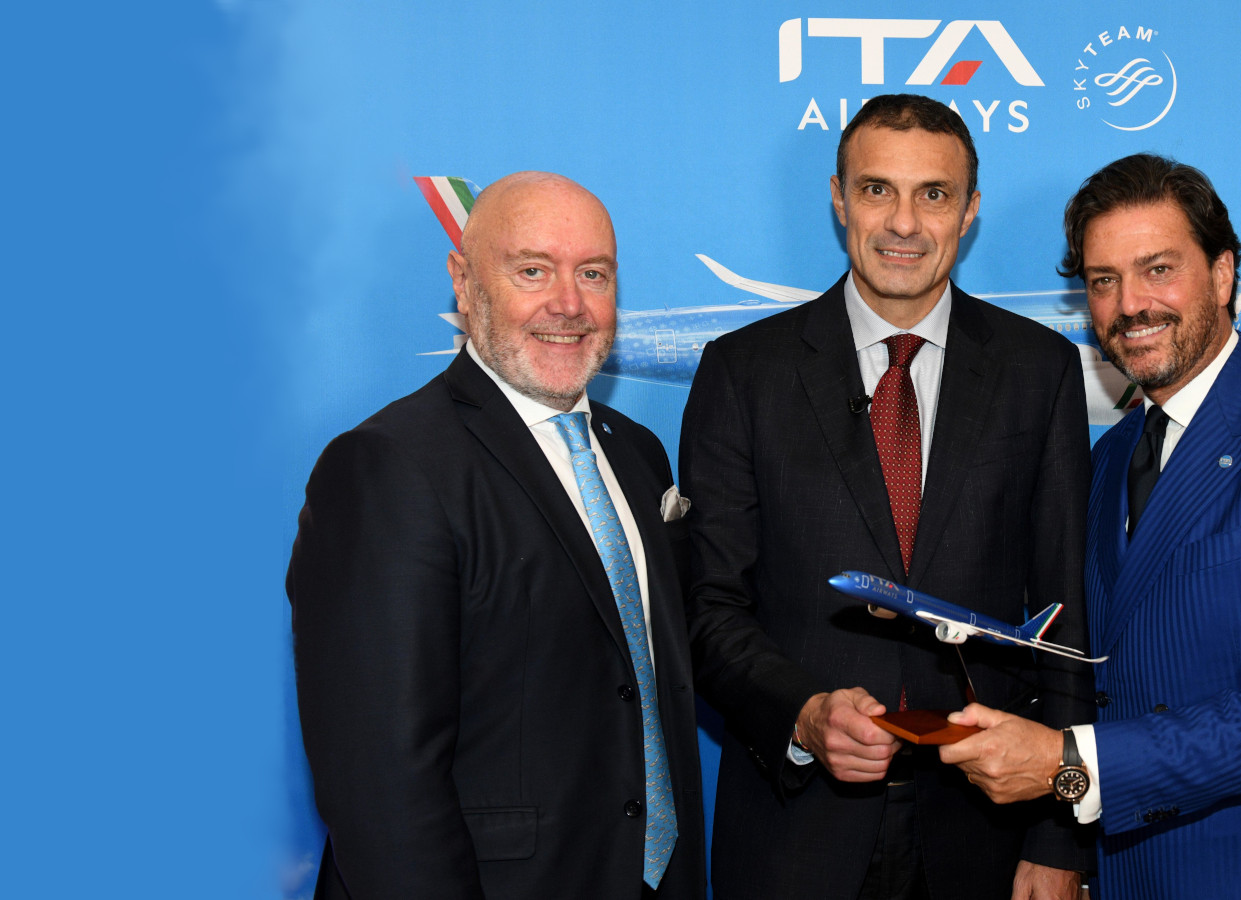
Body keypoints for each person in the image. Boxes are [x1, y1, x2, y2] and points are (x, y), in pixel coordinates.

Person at [940, 154, 1241, 898]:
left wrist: (1069, 762)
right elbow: (1095, 664)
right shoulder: (1108, 459)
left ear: (1223, 275)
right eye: (1103, 281)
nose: (1130, 304)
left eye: (1158, 269)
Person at [680, 94, 1095, 900]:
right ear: (839, 198)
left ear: (969, 211)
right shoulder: (743, 373)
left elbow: (1065, 615)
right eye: (877, 190)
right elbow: (707, 608)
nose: (904, 222)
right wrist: (803, 714)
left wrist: (1060, 834)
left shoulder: (1039, 371)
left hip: (988, 836)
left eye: (933, 194)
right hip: (792, 837)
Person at [288, 172, 704, 900]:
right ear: (464, 281)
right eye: (532, 271)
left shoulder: (638, 455)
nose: (568, 304)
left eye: (593, 274)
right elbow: (381, 785)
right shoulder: (388, 466)